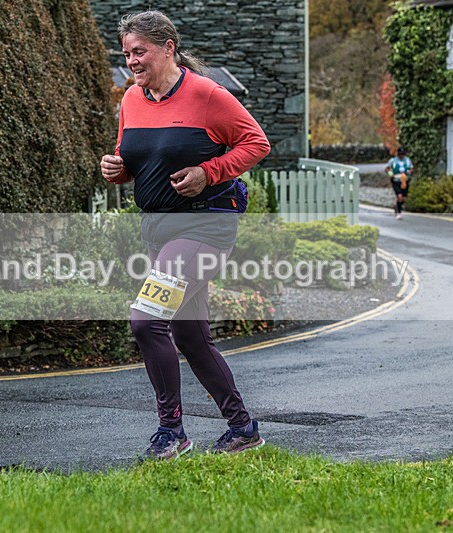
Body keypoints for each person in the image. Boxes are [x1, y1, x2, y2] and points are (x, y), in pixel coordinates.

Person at [100, 10, 271, 460]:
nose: (132, 61)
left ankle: (171, 431)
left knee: (145, 318)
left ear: (168, 48)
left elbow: (256, 142)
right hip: (160, 228)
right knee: (191, 336)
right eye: (127, 54)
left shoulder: (207, 94)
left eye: (140, 52)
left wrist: (208, 171)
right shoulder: (131, 101)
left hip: (207, 225)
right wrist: (117, 169)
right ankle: (242, 428)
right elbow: (135, 157)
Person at [385, 146, 413, 220]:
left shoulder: (407, 160)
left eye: (403, 154)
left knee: (404, 198)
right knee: (399, 197)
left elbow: (411, 168)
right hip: (396, 180)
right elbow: (387, 169)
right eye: (400, 154)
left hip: (404, 180)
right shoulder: (393, 160)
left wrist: (408, 172)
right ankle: (398, 212)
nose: (401, 156)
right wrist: (391, 174)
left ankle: (397, 206)